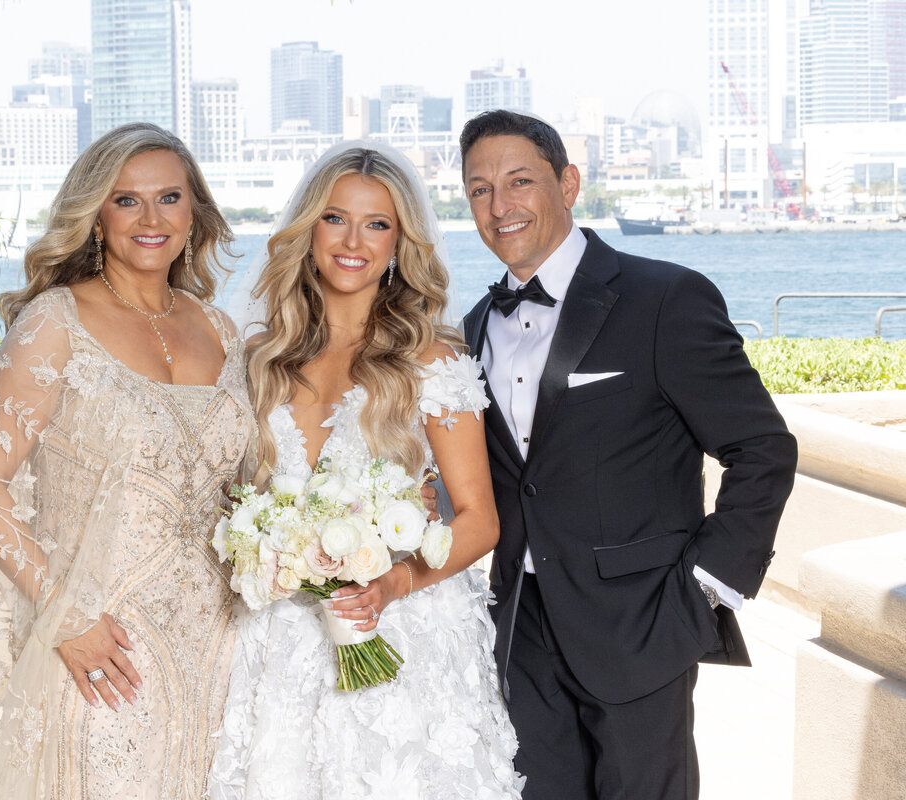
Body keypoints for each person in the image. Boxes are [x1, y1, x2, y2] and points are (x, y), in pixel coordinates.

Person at [459, 110, 798, 799]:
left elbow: (762, 448)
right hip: (519, 631)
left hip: (643, 626)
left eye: (520, 181)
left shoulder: (665, 298)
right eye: (479, 190)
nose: (500, 207)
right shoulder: (473, 327)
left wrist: (706, 590)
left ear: (569, 182)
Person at [0, 122, 257, 799]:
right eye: (127, 200)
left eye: (170, 198)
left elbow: (236, 490)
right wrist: (65, 616)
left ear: (194, 211)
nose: (151, 219)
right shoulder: (55, 322)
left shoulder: (222, 330)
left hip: (220, 647)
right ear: (95, 217)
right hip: (101, 645)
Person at [209, 143, 525, 799]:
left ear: (399, 242)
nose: (354, 241)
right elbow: (233, 500)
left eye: (377, 224)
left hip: (400, 633)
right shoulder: (257, 359)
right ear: (308, 229)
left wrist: (392, 583)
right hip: (279, 644)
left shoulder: (430, 361)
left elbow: (479, 520)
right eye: (335, 219)